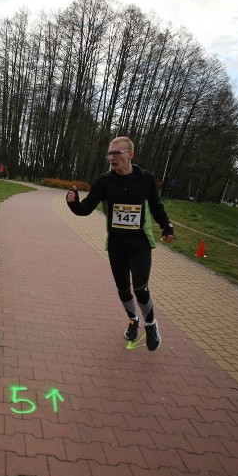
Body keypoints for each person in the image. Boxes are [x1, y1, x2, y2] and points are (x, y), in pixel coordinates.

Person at [66, 136, 175, 351]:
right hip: (117, 245)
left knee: (141, 289)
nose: (112, 157)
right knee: (124, 290)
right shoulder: (104, 182)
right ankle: (133, 320)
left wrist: (166, 227)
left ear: (130, 155)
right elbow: (85, 209)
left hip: (140, 244)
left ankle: (151, 324)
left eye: (117, 153)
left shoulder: (146, 179)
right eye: (110, 153)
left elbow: (156, 206)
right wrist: (73, 203)